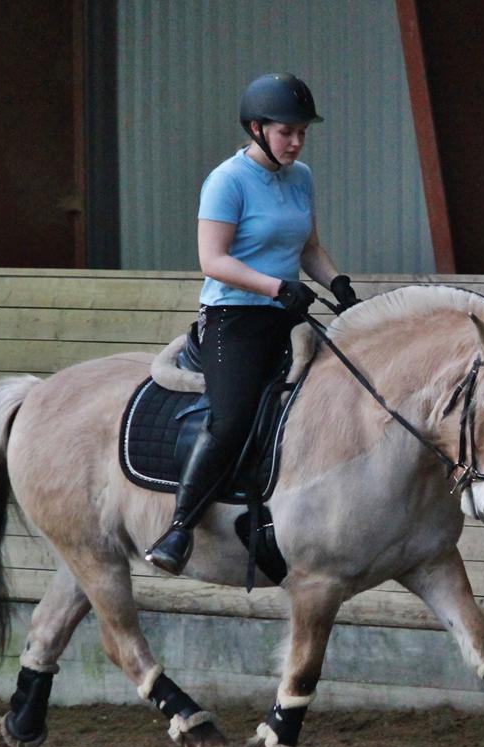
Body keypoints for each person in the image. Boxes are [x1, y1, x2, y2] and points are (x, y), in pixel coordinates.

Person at [146, 72, 359, 575]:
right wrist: (274, 287)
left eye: (303, 132)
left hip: (285, 317)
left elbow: (307, 249)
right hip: (233, 320)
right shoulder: (226, 181)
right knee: (232, 419)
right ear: (257, 128)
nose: (297, 141)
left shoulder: (301, 176)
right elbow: (212, 260)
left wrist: (339, 284)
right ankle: (179, 529)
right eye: (287, 131)